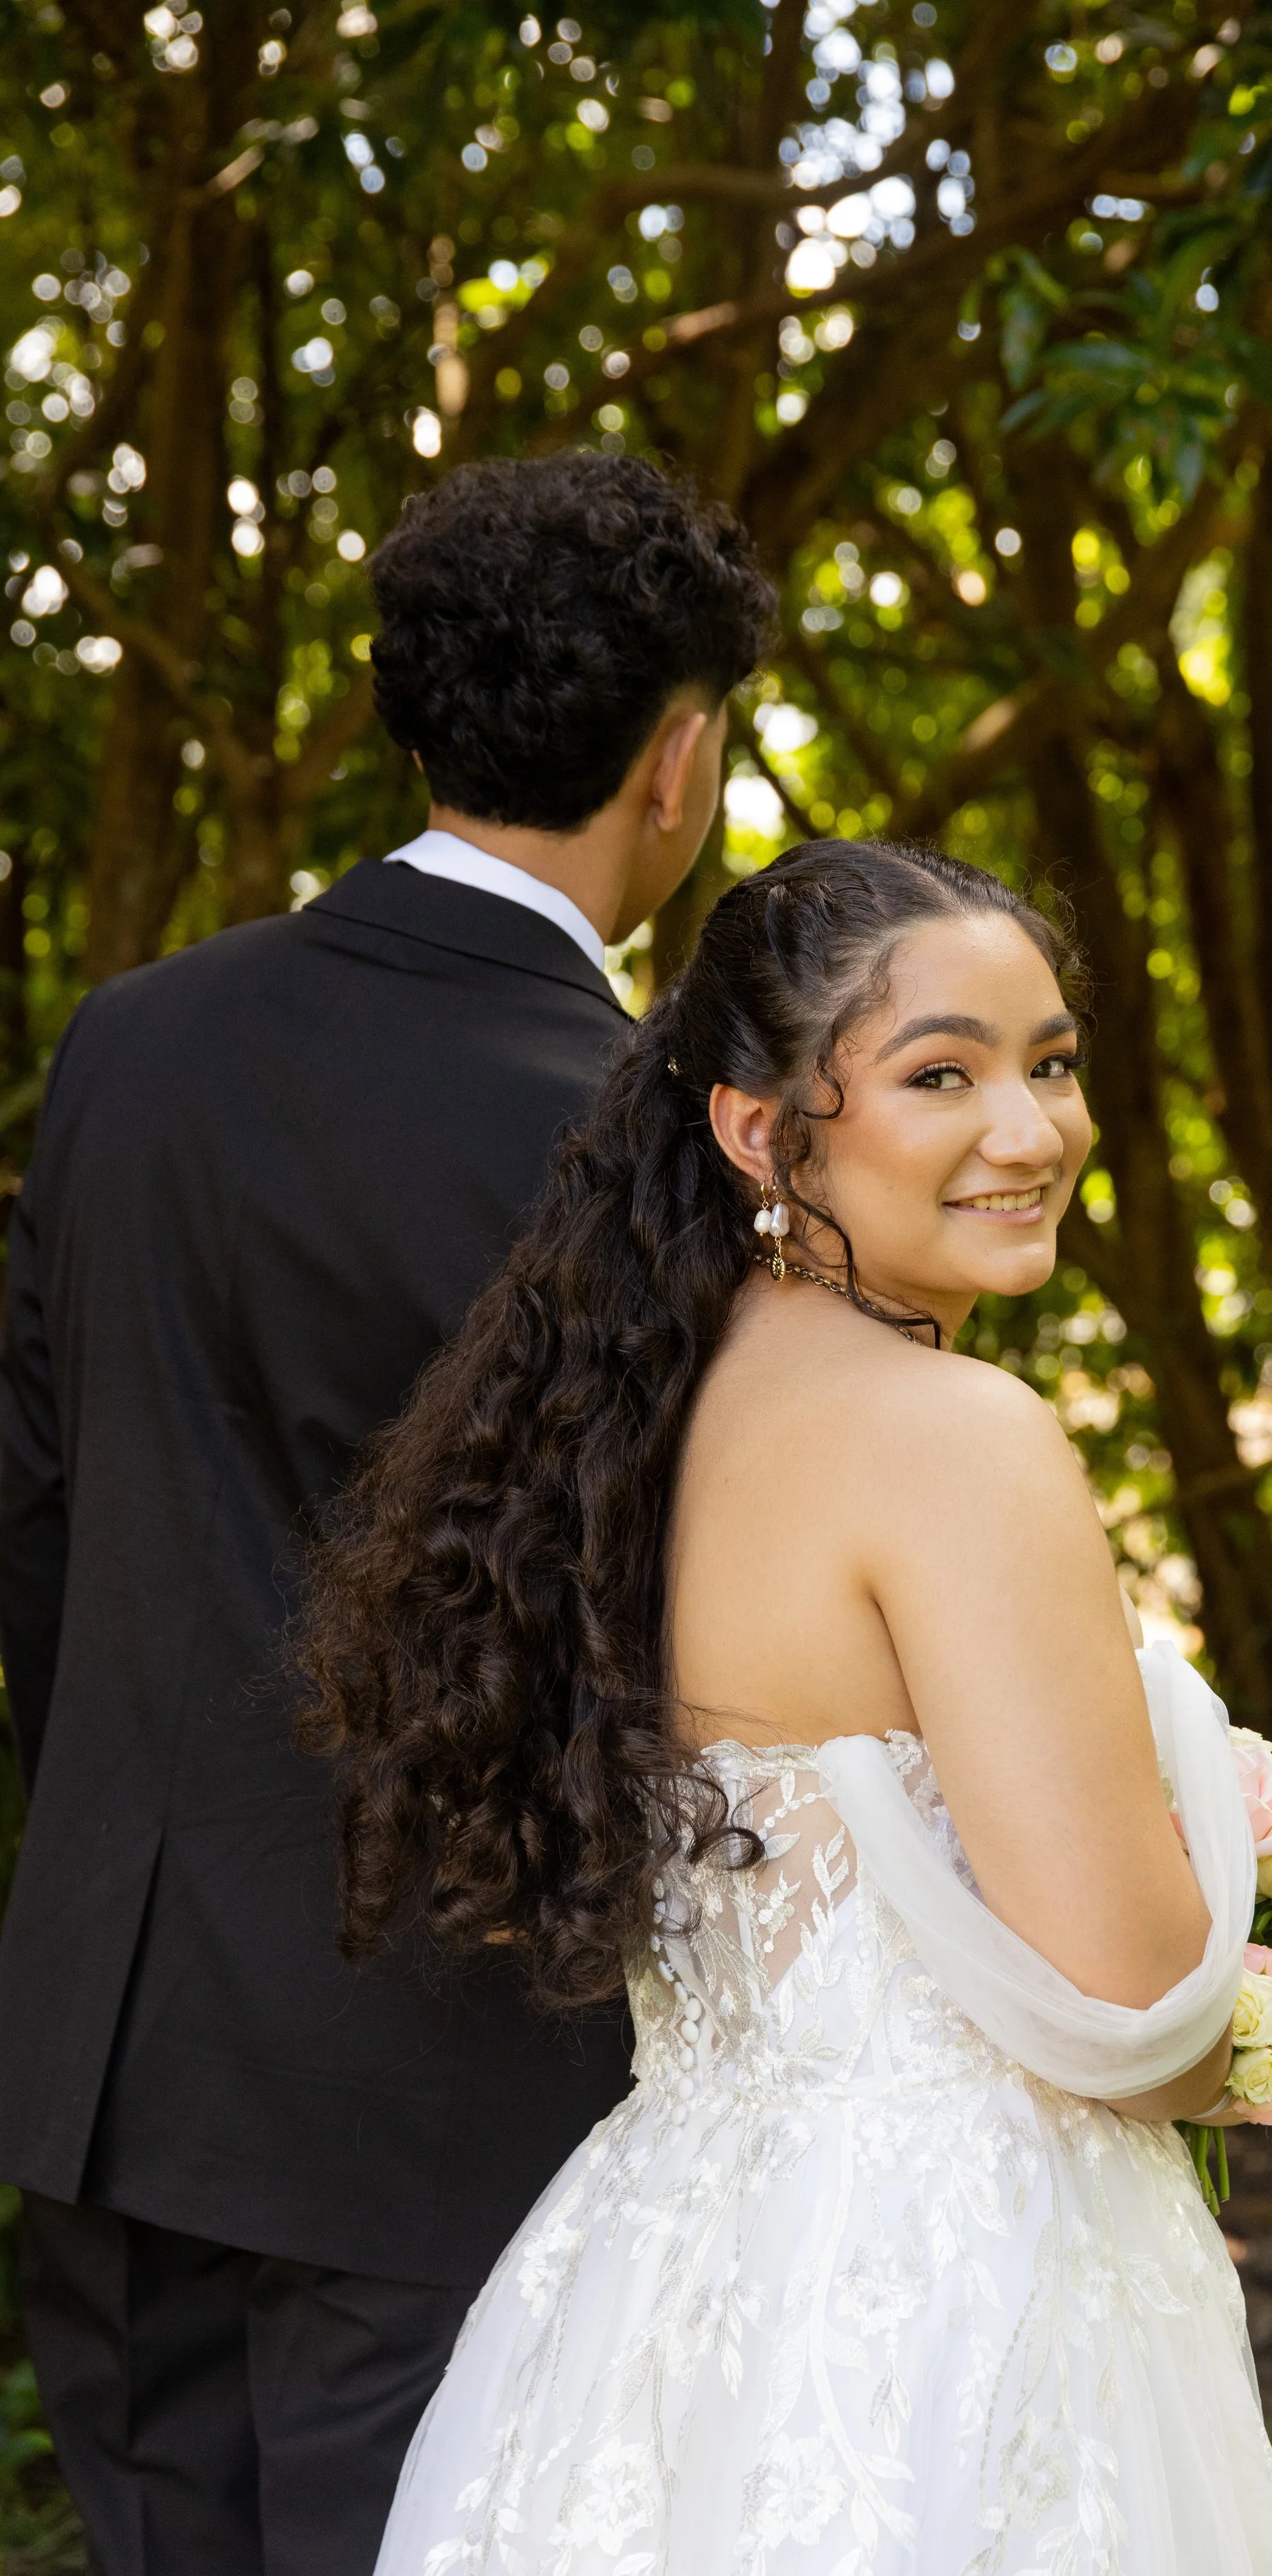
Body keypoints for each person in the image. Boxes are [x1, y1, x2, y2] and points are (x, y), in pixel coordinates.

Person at [298, 837, 1272, 2575]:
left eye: (1049, 1062)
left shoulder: (638, 1428)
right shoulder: (954, 1439)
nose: (1029, 1128)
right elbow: (1129, 1991)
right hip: (952, 2271)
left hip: (666, 2253)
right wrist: (1244, 2017)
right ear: (760, 1128)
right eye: (940, 1073)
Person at [0, 450, 776, 2576]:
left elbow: (47, 1524)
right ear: (680, 755)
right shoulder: (642, 1151)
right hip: (441, 2059)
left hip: (117, 2040)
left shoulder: (129, 1046)